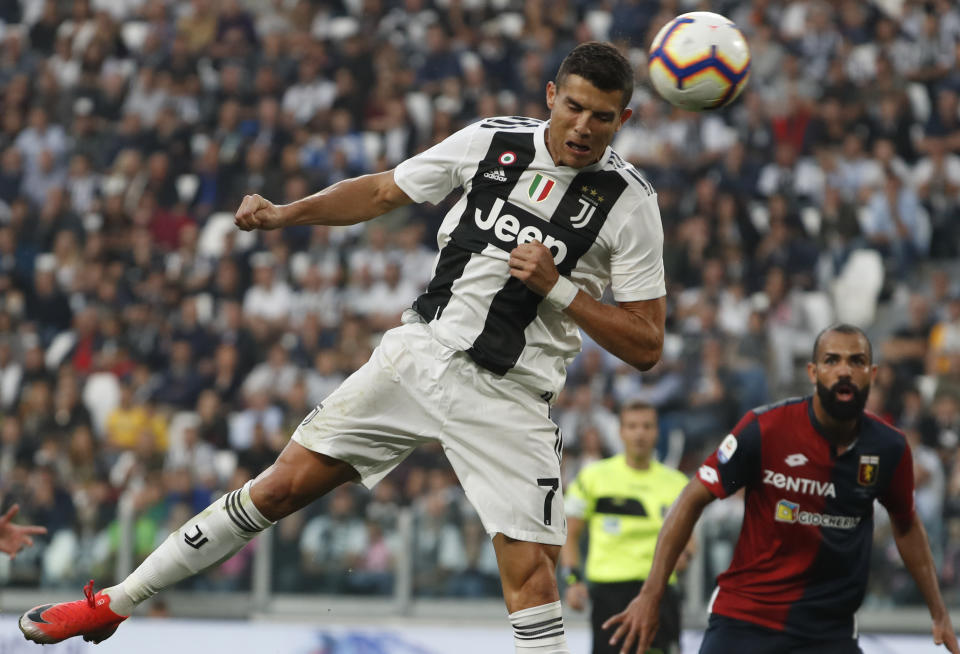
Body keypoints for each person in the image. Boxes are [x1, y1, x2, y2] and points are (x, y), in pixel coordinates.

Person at [20, 41, 667, 654]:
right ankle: (114, 603)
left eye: (602, 117)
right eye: (573, 107)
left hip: (511, 395)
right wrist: (285, 213)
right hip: (418, 354)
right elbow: (384, 190)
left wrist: (559, 290)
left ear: (624, 119)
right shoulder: (492, 141)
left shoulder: (631, 205)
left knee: (532, 579)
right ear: (551, 95)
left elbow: (646, 345)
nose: (583, 126)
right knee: (276, 489)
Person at [604, 324, 960, 654]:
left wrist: (939, 612)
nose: (844, 370)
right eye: (831, 360)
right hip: (744, 621)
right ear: (813, 372)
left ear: (873, 374)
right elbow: (693, 497)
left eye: (857, 361)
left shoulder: (889, 448)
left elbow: (906, 525)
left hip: (828, 632)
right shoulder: (765, 429)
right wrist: (651, 595)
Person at [560, 400, 690, 654]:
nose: (639, 433)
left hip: (659, 593)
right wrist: (573, 580)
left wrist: (686, 555)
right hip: (609, 596)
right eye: (632, 426)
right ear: (621, 432)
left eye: (646, 426)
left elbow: (690, 540)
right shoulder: (593, 477)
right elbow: (569, 534)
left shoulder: (677, 484)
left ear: (656, 432)